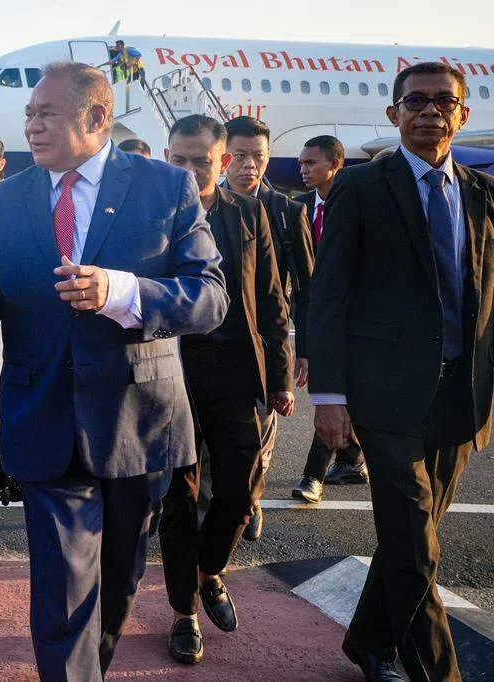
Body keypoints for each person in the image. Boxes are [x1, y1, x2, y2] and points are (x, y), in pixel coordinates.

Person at [0, 61, 228, 681]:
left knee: (115, 585)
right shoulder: (2, 199)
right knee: (62, 591)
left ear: (97, 117)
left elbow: (210, 298)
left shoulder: (166, 187)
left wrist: (122, 293)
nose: (31, 125)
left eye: (46, 113)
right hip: (44, 419)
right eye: (29, 114)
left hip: (139, 422)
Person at [311, 61, 493, 682]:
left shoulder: (480, 192)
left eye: (444, 101)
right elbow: (328, 293)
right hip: (384, 395)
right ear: (394, 114)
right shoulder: (361, 187)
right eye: (415, 101)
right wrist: (329, 396)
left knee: (410, 538)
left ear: (463, 114)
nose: (430, 111)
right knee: (416, 550)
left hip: (461, 394)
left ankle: (369, 640)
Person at [159, 114, 291, 664]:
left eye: (201, 161)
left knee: (238, 495)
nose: (189, 171)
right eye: (179, 160)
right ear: (167, 158)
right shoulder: (153, 213)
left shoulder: (249, 213)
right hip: (171, 374)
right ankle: (184, 612)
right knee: (179, 500)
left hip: (236, 374)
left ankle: (210, 569)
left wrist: (280, 378)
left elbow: (271, 297)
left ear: (224, 161)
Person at [223, 115, 314, 540]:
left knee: (260, 429)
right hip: (209, 338)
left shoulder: (286, 212)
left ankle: (252, 499)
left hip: (264, 341)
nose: (249, 165)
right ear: (223, 156)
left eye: (258, 156)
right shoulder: (200, 205)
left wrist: (306, 349)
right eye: (239, 155)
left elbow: (306, 287)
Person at [291, 135, 368, 504]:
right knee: (337, 394)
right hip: (316, 315)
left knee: (334, 396)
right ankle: (352, 458)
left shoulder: (360, 204)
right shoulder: (300, 208)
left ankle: (313, 475)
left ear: (335, 165)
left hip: (356, 318)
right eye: (301, 164)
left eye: (311, 163)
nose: (303, 170)